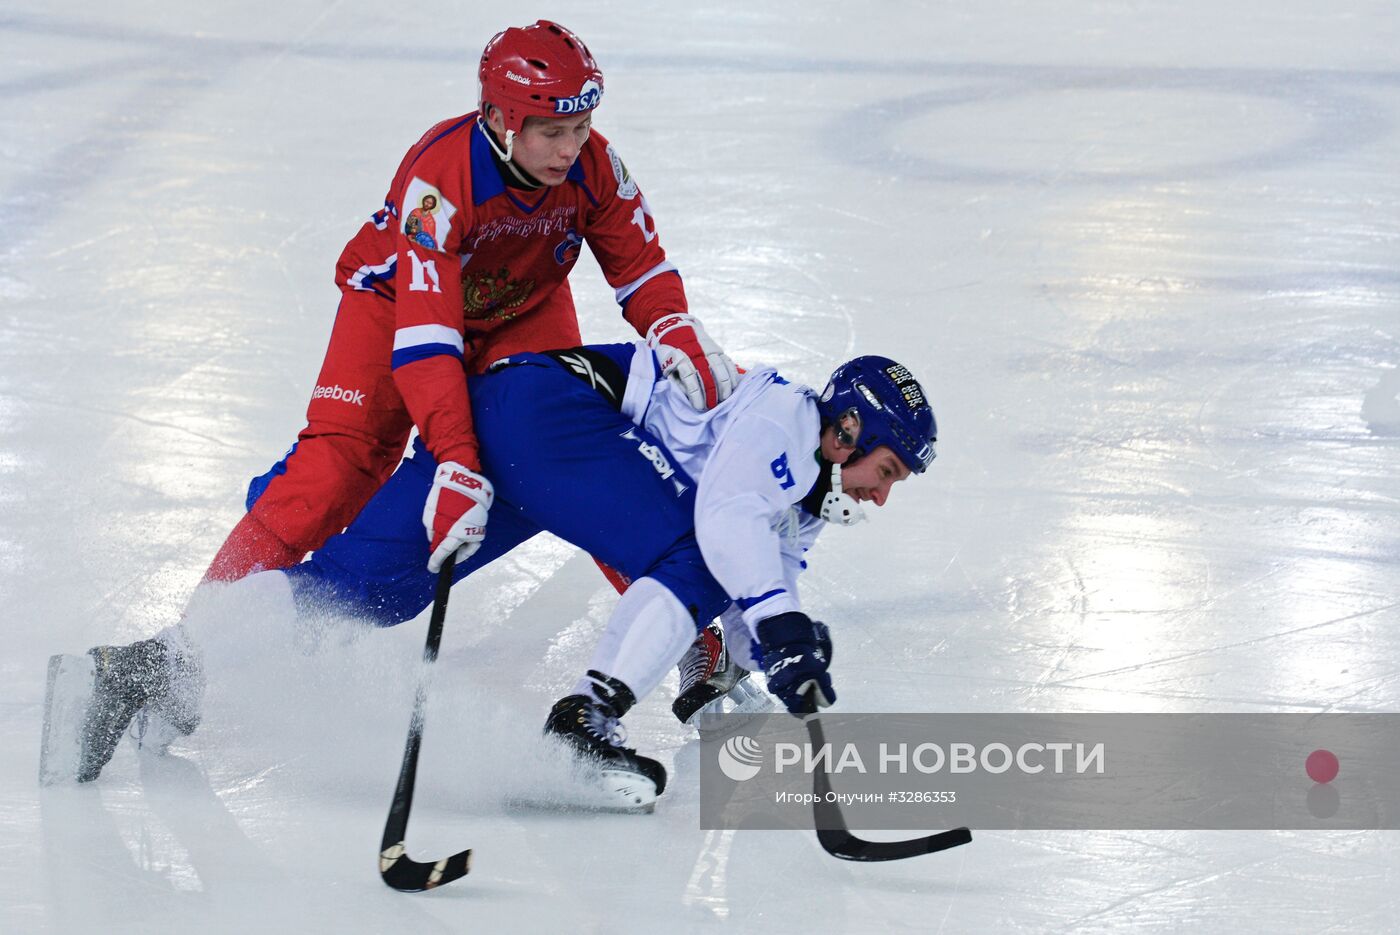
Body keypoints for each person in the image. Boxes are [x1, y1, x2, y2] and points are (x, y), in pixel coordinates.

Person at [44, 342, 937, 809]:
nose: (884, 495)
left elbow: (764, 586)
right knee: (696, 554)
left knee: (363, 594)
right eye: (888, 470)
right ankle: (584, 720)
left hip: (507, 421)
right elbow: (726, 528)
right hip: (553, 418)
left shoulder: (806, 495)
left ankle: (137, 668)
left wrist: (781, 656)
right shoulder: (784, 420)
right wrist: (777, 624)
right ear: (847, 431)